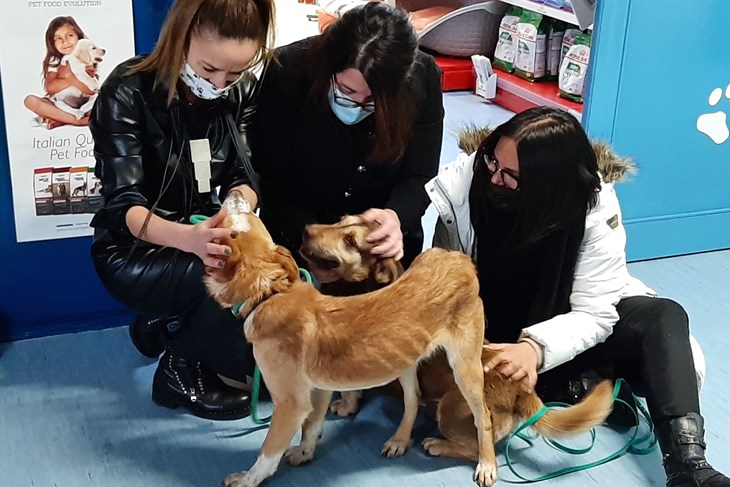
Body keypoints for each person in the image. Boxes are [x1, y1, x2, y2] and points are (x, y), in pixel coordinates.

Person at [426, 106, 729, 486]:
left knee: (665, 316)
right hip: (488, 333)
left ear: (549, 186)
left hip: (564, 329)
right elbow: (440, 279)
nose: (495, 179)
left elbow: (596, 313)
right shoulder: (463, 187)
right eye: (492, 163)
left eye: (512, 175)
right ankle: (573, 386)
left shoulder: (593, 205)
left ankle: (688, 464)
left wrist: (534, 349)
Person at [89, 0, 275, 420]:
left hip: (206, 234)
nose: (221, 83)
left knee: (257, 281)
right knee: (226, 279)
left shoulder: (240, 91)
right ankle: (178, 373)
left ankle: (167, 323)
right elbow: (124, 208)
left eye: (235, 73)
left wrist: (236, 212)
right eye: (209, 70)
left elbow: (246, 177)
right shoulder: (127, 91)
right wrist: (189, 239)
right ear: (180, 38)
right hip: (133, 249)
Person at [251, 2, 444, 280]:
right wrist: (315, 247)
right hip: (298, 237)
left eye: (373, 100)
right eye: (346, 91)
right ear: (328, 66)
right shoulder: (287, 71)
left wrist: (396, 216)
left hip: (379, 249)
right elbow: (273, 177)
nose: (358, 104)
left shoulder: (422, 76)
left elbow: (421, 174)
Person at [24, 16, 97, 129]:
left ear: (79, 36)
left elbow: (90, 90)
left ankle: (60, 119)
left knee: (104, 101)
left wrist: (69, 76)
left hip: (86, 104)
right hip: (61, 104)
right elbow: (51, 88)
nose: (65, 42)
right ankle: (77, 121)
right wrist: (70, 77)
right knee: (30, 101)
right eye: (58, 39)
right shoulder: (55, 60)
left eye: (70, 36)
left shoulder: (87, 58)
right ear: (52, 43)